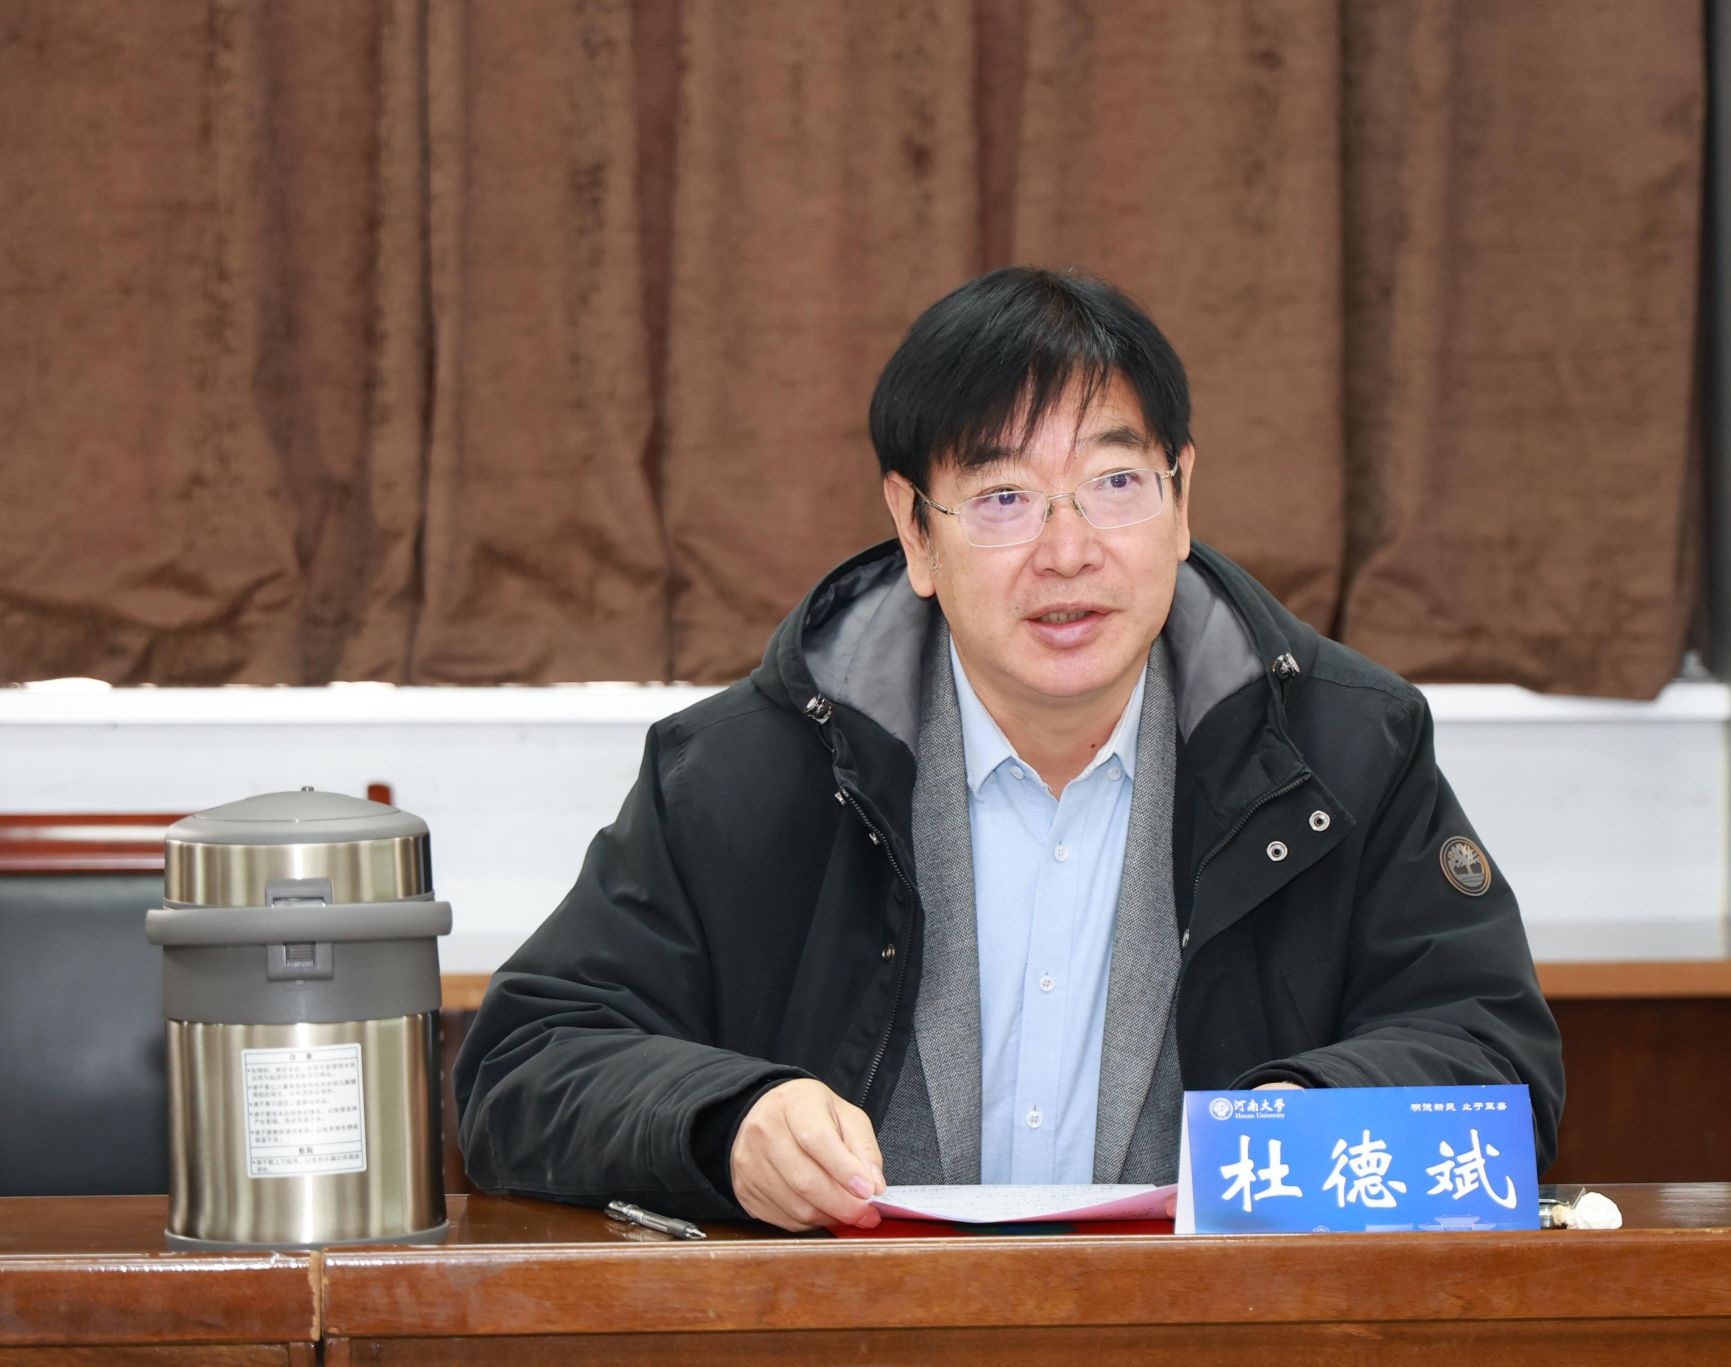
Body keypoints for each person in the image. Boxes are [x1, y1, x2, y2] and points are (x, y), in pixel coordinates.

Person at [455, 267, 1564, 1232]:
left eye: (1115, 484)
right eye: (1002, 497)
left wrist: (1302, 1121)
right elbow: (522, 1063)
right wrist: (726, 1122)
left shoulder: (1345, 751)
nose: (1067, 550)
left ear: (1182, 498)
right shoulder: (748, 770)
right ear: (914, 530)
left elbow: (1492, 1054)